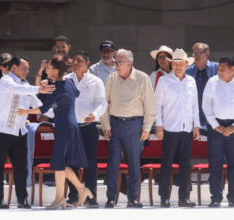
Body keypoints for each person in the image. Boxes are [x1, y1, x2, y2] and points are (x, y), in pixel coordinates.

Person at [17, 55, 93, 210]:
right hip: (71, 124)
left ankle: (70, 194)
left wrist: (26, 110)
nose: (47, 69)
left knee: (59, 162)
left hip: (64, 126)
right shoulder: (70, 82)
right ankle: (75, 192)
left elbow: (43, 109)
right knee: (60, 163)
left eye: (49, 67)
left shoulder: (55, 88)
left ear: (56, 70)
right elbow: (76, 94)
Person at [0, 56, 55, 209]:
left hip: (19, 132)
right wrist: (39, 88)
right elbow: (18, 90)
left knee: (22, 167)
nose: (27, 71)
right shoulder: (5, 80)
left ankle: (22, 199)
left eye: (28, 69)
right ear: (13, 69)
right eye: (24, 68)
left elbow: (40, 106)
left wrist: (60, 114)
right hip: (2, 130)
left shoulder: (27, 85)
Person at [101, 49, 156, 208]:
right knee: (113, 162)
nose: (115, 65)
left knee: (133, 163)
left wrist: (146, 128)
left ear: (129, 64)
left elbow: (150, 105)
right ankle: (111, 198)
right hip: (114, 124)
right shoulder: (111, 78)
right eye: (115, 62)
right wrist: (105, 125)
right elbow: (105, 103)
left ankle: (133, 198)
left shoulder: (142, 78)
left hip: (134, 125)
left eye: (118, 63)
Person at [155, 49, 199, 208]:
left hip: (187, 129)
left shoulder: (191, 81)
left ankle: (183, 197)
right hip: (169, 128)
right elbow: (157, 105)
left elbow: (195, 106)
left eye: (181, 63)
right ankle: (164, 197)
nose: (178, 66)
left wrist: (197, 125)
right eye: (175, 63)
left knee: (185, 164)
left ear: (187, 64)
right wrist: (159, 126)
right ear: (172, 64)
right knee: (166, 164)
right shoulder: (164, 81)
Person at [64, 51, 107, 208]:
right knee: (71, 163)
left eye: (79, 61)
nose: (75, 63)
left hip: (89, 128)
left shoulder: (96, 81)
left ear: (88, 63)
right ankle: (74, 196)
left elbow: (102, 103)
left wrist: (95, 115)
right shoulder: (66, 80)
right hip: (71, 128)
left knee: (90, 164)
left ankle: (91, 197)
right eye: (74, 60)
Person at [203, 56, 234, 208]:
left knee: (233, 164)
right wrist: (216, 126)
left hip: (233, 127)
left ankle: (233, 198)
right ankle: (215, 197)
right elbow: (206, 106)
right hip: (215, 127)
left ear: (232, 69)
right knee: (215, 164)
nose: (219, 71)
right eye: (218, 68)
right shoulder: (212, 82)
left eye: (223, 69)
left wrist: (233, 127)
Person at [186, 43, 218, 133]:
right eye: (194, 53)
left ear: (207, 54)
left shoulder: (217, 68)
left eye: (198, 53)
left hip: (213, 119)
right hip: (193, 120)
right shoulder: (187, 71)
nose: (196, 56)